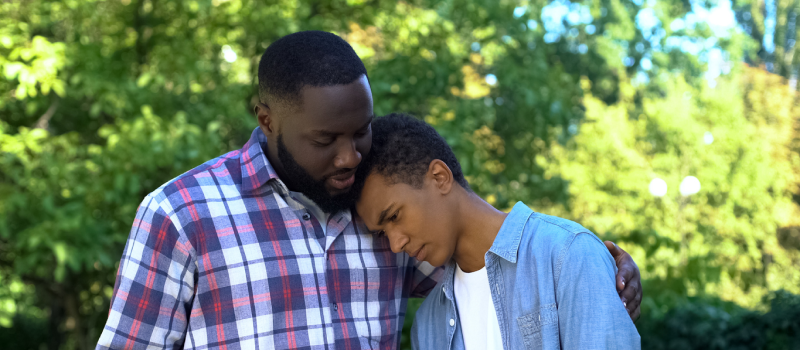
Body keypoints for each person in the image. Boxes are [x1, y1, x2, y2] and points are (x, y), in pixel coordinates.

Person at [96, 31, 642, 349]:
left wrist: (601, 260)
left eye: (361, 131)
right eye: (325, 139)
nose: (349, 155)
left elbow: (490, 260)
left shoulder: (378, 213)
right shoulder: (181, 214)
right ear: (267, 119)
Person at [355, 113, 641, 350]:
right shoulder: (429, 322)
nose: (395, 244)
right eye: (382, 233)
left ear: (439, 177)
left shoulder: (568, 256)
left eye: (394, 216)